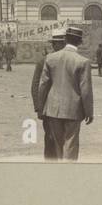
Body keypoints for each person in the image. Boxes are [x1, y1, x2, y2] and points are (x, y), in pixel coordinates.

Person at [36, 24, 94, 161]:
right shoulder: (83, 61)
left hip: (53, 109)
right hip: (73, 110)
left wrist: (40, 108)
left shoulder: (50, 58)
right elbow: (85, 90)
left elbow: (42, 85)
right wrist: (89, 112)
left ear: (66, 39)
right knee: (71, 145)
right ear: (80, 42)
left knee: (58, 145)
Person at [31, 28, 65, 160]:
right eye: (58, 44)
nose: (59, 46)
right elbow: (35, 85)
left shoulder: (68, 60)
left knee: (57, 139)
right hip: (50, 108)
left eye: (61, 44)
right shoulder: (43, 61)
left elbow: (35, 85)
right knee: (51, 138)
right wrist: (38, 107)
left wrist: (39, 108)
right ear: (54, 45)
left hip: (56, 108)